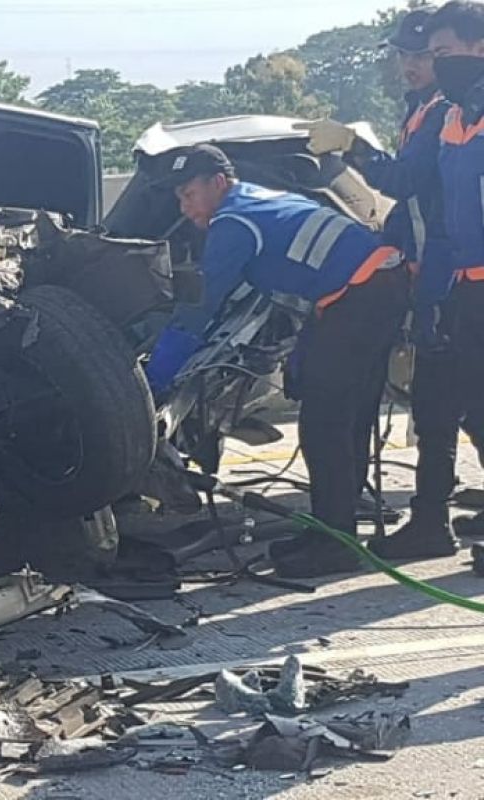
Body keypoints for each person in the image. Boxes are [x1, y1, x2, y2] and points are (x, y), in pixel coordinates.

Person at [145, 145, 409, 579]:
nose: (185, 206)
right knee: (349, 417)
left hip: (359, 297)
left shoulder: (233, 223)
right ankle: (335, 528)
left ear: (219, 182)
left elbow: (199, 311)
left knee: (324, 425)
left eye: (189, 194)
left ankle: (335, 544)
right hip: (376, 285)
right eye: (179, 198)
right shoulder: (257, 197)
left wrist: (154, 378)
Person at [301, 8, 478, 560]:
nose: (411, 64)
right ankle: (431, 519)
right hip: (448, 276)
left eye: (426, 55)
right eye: (403, 54)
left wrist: (353, 149)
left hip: (452, 276)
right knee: (444, 401)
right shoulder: (439, 112)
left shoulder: (445, 115)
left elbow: (406, 182)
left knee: (451, 399)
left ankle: (432, 521)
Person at [410, 0, 484, 544]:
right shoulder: (455, 117)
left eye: (446, 52)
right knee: (458, 401)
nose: (438, 65)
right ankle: (430, 522)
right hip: (466, 281)